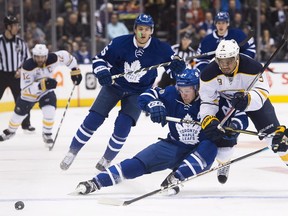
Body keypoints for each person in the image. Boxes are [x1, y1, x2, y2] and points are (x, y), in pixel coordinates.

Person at [60, 14, 186, 171]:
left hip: (139, 92)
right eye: (140, 29)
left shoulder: (161, 48)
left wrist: (178, 69)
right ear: (135, 29)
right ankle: (72, 151)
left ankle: (107, 158)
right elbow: (99, 59)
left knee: (123, 125)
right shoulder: (120, 43)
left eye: (147, 30)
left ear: (151, 31)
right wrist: (102, 72)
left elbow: (173, 69)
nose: (143, 33)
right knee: (93, 119)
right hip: (115, 86)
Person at [73, 68, 219, 195]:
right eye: (180, 90)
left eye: (187, 91)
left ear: (197, 87)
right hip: (173, 146)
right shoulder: (171, 94)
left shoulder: (209, 99)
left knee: (211, 146)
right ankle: (95, 182)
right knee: (137, 164)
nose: (183, 95)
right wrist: (154, 104)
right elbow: (146, 95)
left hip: (199, 152)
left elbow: (230, 118)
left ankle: (176, 178)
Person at [199, 39, 288, 179]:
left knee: (276, 140)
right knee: (222, 139)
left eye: (229, 61)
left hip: (252, 101)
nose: (225, 65)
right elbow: (208, 101)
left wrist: (248, 100)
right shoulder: (208, 74)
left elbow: (263, 92)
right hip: (227, 102)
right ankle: (223, 163)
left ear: (237, 57)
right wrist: (208, 118)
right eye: (221, 61)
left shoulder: (253, 68)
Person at [0, 44, 82, 147]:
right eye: (37, 57)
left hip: (46, 92)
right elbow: (25, 89)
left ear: (46, 55)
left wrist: (75, 70)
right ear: (33, 56)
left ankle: (47, 133)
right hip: (29, 96)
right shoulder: (27, 66)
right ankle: (11, 131)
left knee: (50, 111)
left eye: (42, 56)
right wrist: (41, 85)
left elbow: (66, 56)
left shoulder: (53, 58)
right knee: (17, 117)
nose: (40, 59)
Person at [0, 15, 35, 132]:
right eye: (14, 25)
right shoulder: (0, 41)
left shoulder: (20, 42)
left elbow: (27, 58)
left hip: (16, 75)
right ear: (8, 27)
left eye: (17, 25)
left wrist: (21, 70)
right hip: (2, 75)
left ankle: (26, 124)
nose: (17, 27)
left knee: (23, 99)